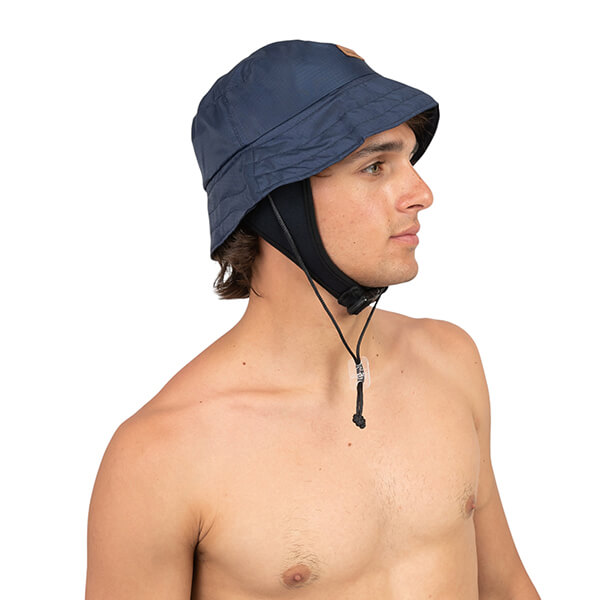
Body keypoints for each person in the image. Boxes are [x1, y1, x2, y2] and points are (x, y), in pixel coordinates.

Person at [85, 40, 541, 599]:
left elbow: (507, 586)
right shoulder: (160, 455)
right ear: (275, 202)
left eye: (409, 161)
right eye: (374, 166)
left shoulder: (449, 360)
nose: (421, 193)